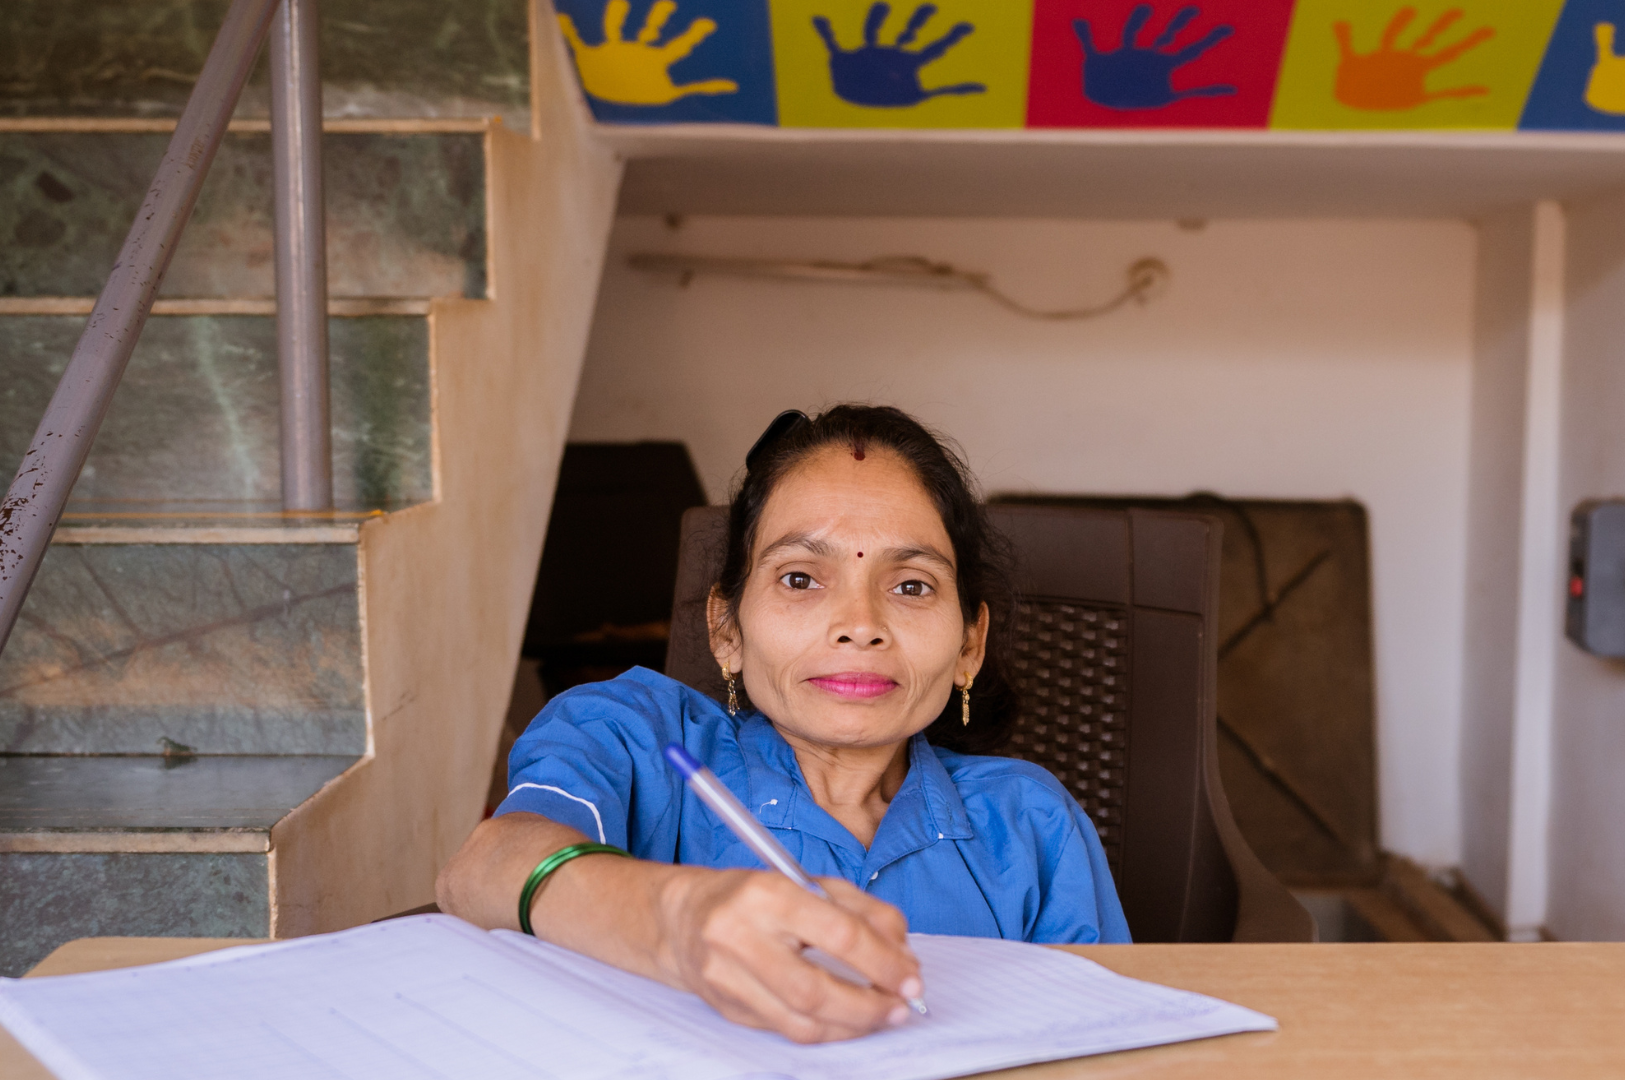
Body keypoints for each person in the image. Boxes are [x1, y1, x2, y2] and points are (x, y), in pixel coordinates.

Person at [437, 405, 1129, 1044]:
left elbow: (1108, 1040)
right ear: (725, 629)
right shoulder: (640, 739)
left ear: (969, 646)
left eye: (911, 586)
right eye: (800, 579)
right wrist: (677, 920)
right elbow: (483, 872)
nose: (860, 626)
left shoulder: (1032, 822)